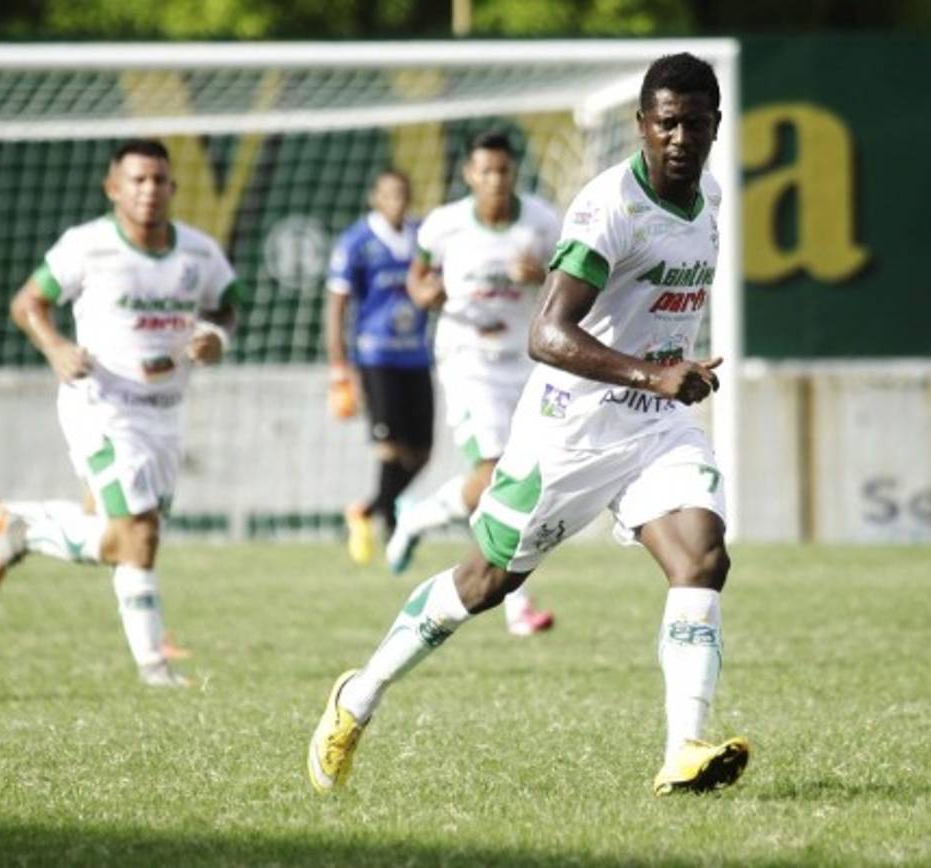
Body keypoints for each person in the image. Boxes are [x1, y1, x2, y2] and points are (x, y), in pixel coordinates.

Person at [308, 53, 749, 797]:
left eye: (695, 124)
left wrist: (670, 373)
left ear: (714, 127)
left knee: (703, 559)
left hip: (655, 427)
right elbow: (546, 334)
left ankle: (684, 748)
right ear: (642, 125)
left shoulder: (707, 192)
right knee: (483, 585)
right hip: (569, 431)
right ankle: (359, 696)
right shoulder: (608, 208)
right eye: (666, 123)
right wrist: (654, 372)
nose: (680, 138)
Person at [0, 138, 240, 688]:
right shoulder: (86, 246)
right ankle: (154, 671)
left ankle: (20, 526)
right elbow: (28, 303)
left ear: (173, 188)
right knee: (136, 535)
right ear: (114, 189)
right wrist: (56, 348)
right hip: (102, 406)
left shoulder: (200, 254)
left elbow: (229, 305)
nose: (149, 191)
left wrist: (215, 337)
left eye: (159, 180)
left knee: (129, 537)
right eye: (137, 180)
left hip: (165, 413)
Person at [386, 129, 558, 636]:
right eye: (485, 171)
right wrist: (426, 295)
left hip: (524, 360)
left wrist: (541, 274)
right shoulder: (445, 225)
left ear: (513, 173)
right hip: (467, 358)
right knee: (495, 471)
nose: (496, 180)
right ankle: (518, 606)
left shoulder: (543, 222)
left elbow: (568, 281)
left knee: (522, 476)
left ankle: (418, 517)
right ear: (470, 175)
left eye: (503, 170)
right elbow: (417, 279)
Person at [325, 170, 433, 565]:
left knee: (422, 453)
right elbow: (336, 304)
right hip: (376, 357)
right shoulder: (357, 242)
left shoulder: (422, 236)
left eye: (402, 194)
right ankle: (392, 533)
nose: (397, 201)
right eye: (388, 194)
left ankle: (366, 510)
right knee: (390, 449)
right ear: (375, 198)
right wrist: (339, 365)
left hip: (417, 355)